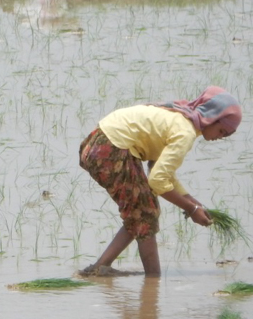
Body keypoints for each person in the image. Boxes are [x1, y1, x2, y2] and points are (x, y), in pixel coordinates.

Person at [79, 86, 242, 277]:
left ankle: (100, 268)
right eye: (222, 131)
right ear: (212, 118)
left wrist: (192, 201)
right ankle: (153, 279)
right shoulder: (185, 132)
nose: (220, 138)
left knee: (140, 211)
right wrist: (191, 209)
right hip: (111, 148)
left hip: (100, 143)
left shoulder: (180, 119)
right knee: (146, 214)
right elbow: (157, 180)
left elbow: (162, 171)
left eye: (225, 136)